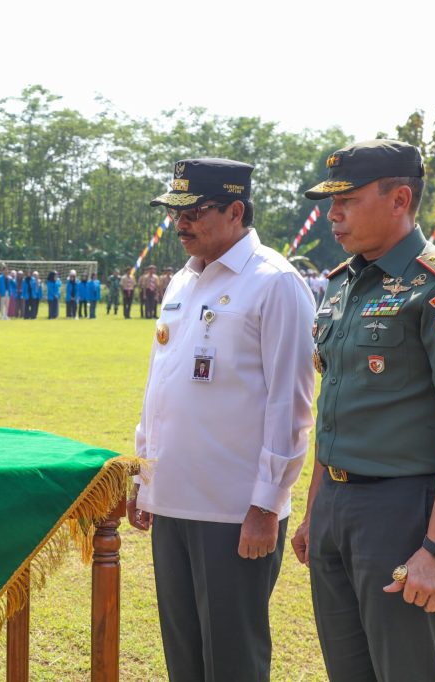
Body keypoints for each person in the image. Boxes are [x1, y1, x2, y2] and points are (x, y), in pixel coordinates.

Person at [290, 140, 435, 682]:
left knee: (406, 669)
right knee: (348, 670)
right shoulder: (343, 285)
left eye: (347, 200)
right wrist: (316, 509)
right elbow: (338, 402)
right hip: (336, 504)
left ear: (399, 199)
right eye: (330, 202)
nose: (332, 214)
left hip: (402, 511)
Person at [128, 157, 316, 682]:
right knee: (183, 655)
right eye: (175, 212)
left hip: (235, 511)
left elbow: (291, 404)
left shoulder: (274, 282)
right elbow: (160, 387)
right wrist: (144, 475)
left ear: (236, 211)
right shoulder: (182, 282)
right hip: (173, 499)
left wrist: (267, 503)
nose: (180, 223)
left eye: (194, 211)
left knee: (233, 658)